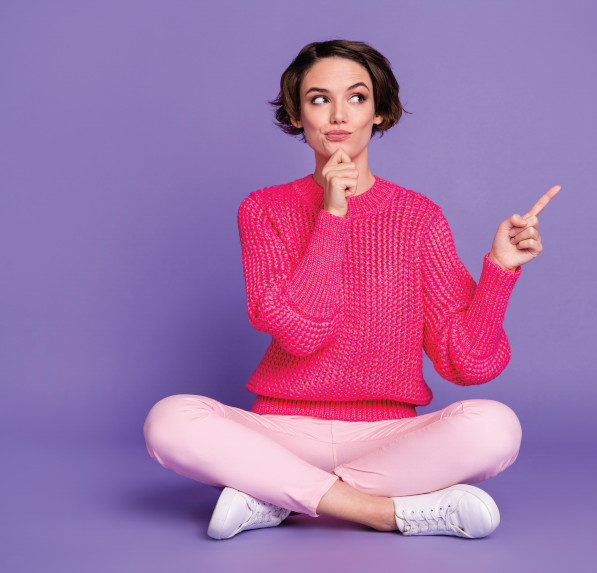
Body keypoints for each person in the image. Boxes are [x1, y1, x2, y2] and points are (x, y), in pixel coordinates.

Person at [142, 39, 560, 541]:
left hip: (387, 438)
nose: (339, 114)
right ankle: (387, 513)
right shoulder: (264, 210)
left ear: (379, 112)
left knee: (496, 427)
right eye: (319, 99)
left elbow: (466, 364)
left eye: (357, 98)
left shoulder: (417, 217)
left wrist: (499, 270)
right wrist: (333, 216)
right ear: (298, 116)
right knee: (169, 421)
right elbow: (300, 333)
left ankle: (277, 497)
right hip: (282, 431)